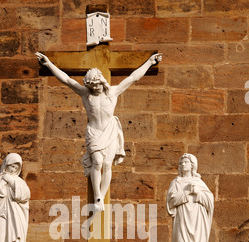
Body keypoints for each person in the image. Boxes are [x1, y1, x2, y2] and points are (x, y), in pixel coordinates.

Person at [36, 51, 162, 212]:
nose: (94, 88)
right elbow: (67, 79)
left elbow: (133, 78)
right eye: (91, 85)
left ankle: (100, 198)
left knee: (107, 164)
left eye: (96, 84)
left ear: (101, 82)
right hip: (94, 132)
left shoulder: (113, 92)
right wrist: (48, 64)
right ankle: (97, 195)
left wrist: (150, 62)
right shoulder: (85, 93)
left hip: (109, 131)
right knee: (97, 163)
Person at [166, 154, 214, 242]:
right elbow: (170, 202)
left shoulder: (200, 183)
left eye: (185, 162)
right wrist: (186, 194)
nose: (182, 165)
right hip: (182, 221)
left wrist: (198, 193)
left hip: (197, 222)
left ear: (192, 165)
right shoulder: (176, 183)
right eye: (181, 162)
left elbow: (209, 202)